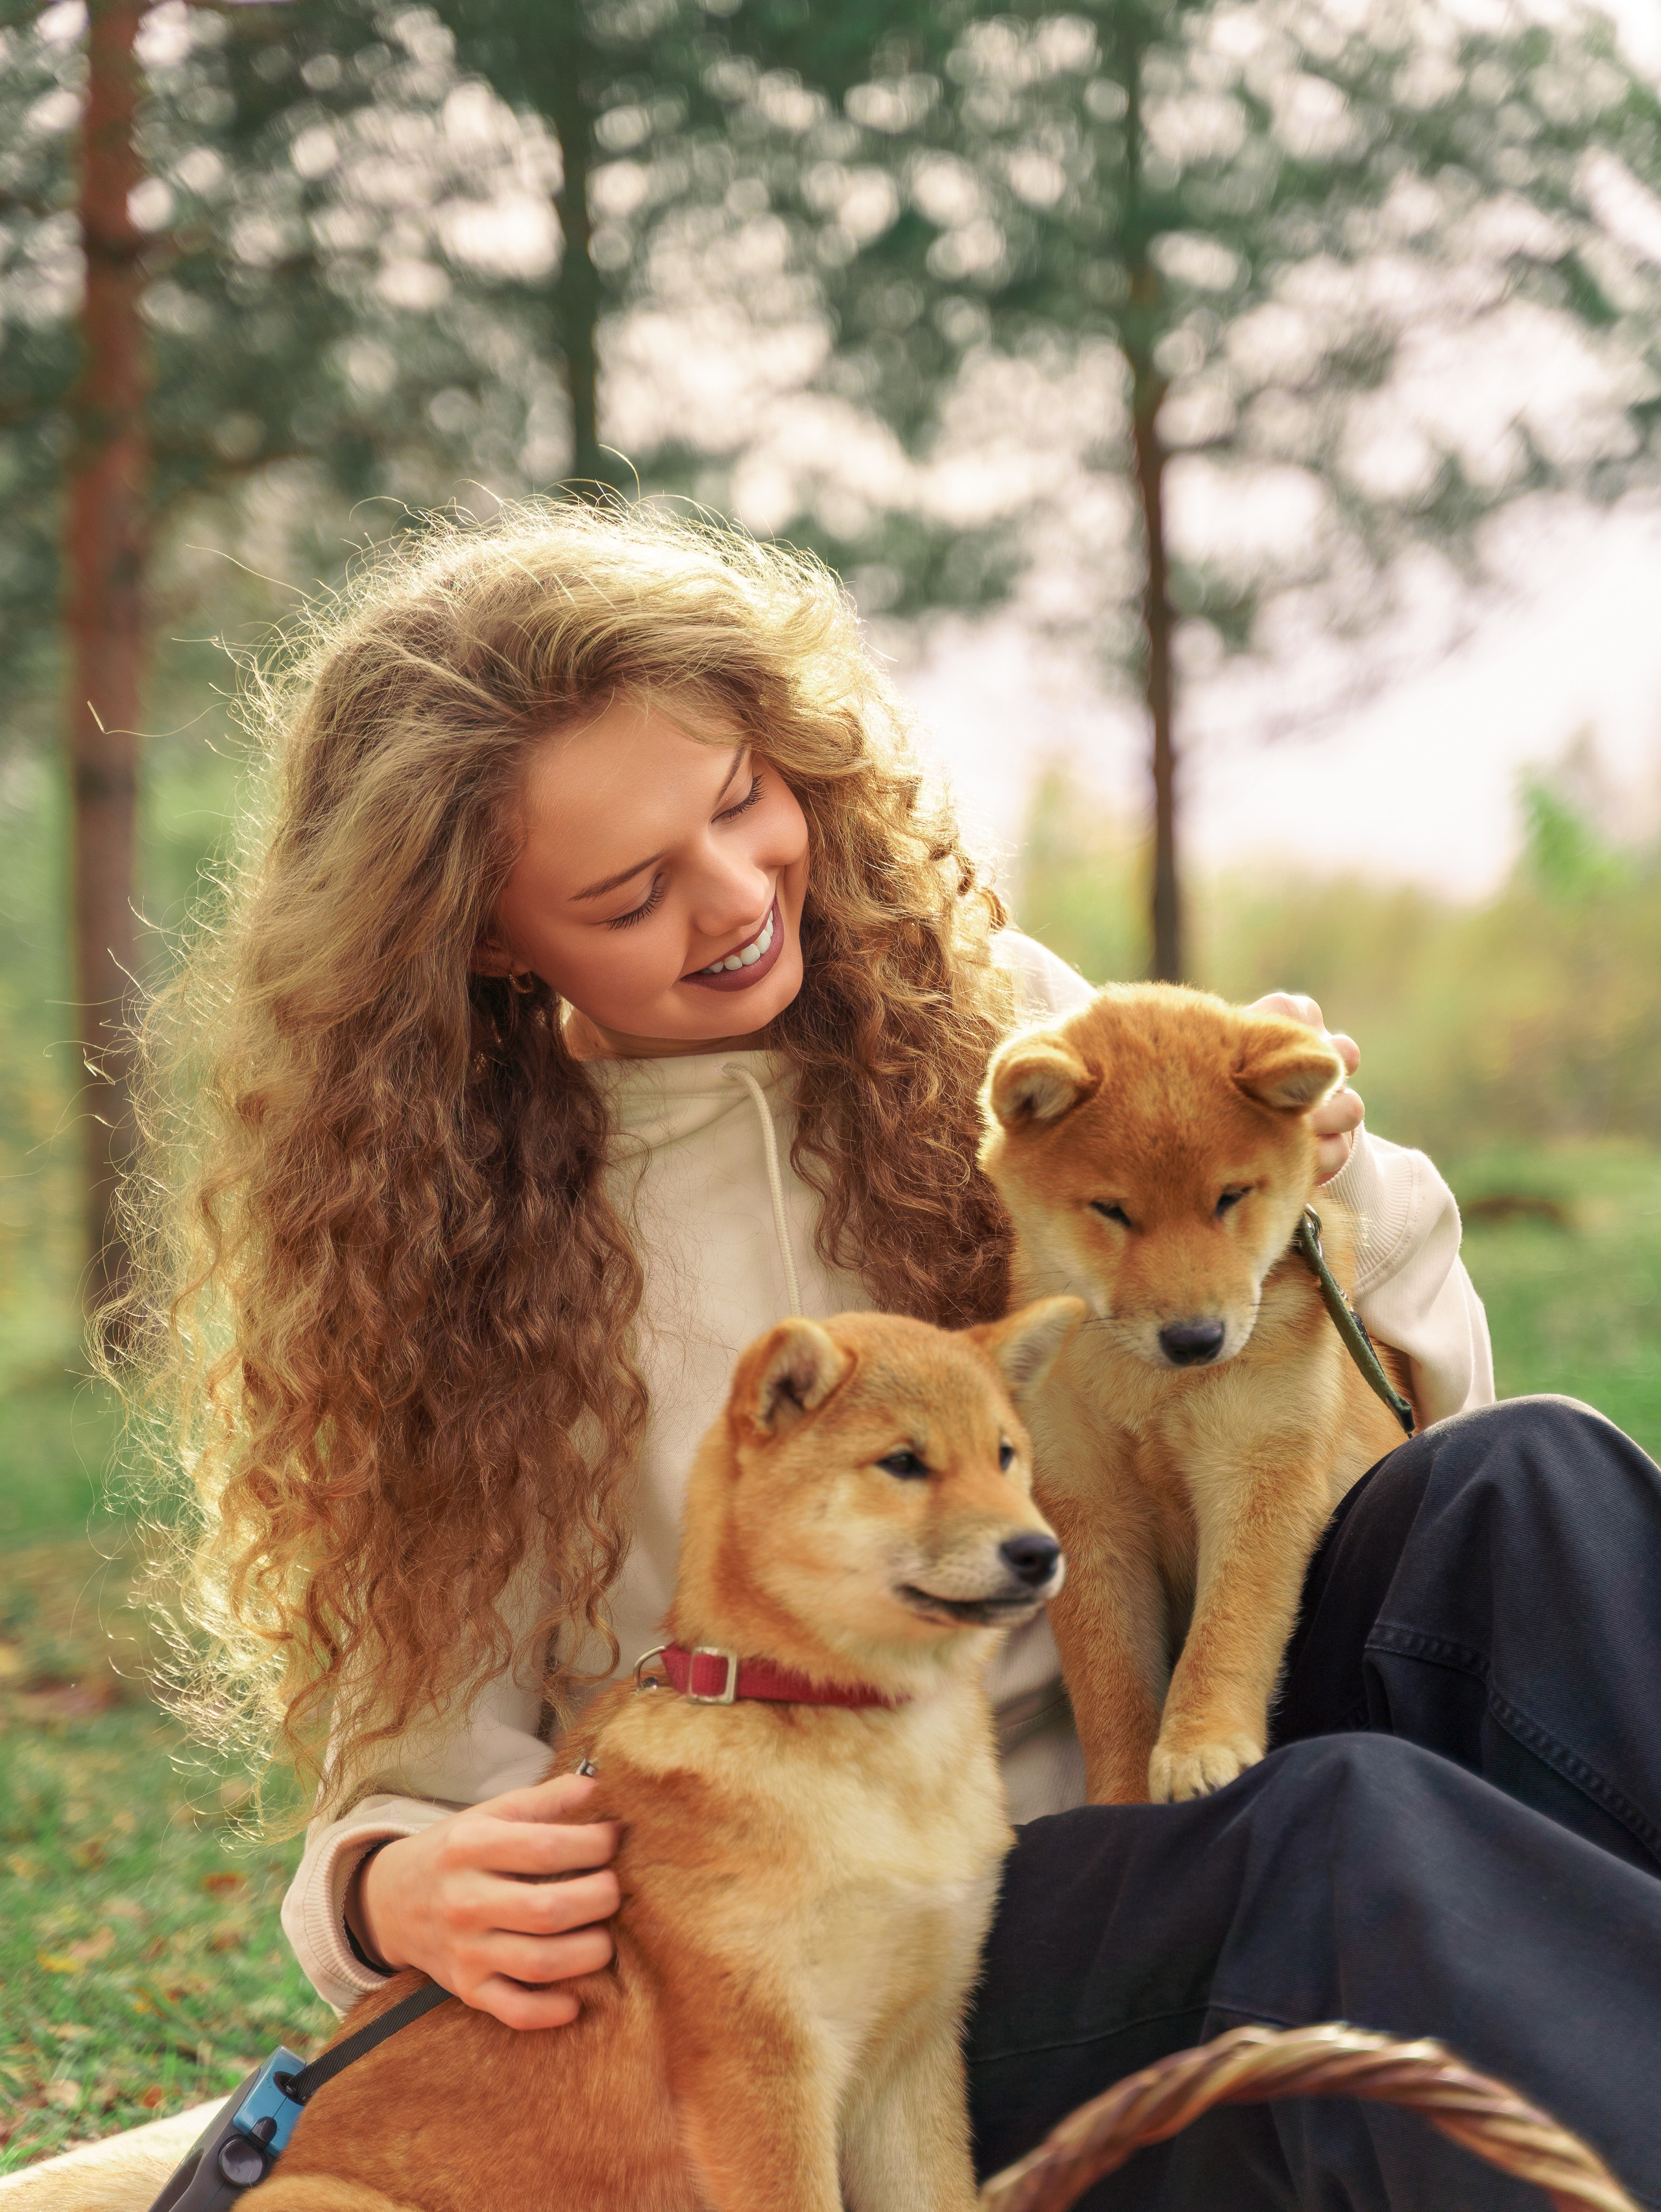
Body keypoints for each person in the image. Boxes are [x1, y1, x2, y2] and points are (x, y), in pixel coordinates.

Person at [122, 501, 1661, 2210]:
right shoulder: (452, 1262)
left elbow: (1389, 1403)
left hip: (1182, 1734)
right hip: (921, 1953)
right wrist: (387, 1885)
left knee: (1530, 1478)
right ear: (486, 933)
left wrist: (1323, 1183)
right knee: (1340, 1842)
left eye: (739, 802)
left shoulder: (974, 1006)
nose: (733, 897)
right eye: (631, 892)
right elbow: (413, 1776)